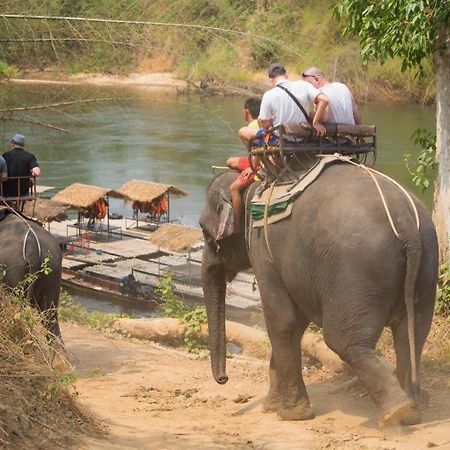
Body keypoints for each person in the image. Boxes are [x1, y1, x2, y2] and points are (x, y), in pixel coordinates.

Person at [238, 62, 329, 145]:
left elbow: (264, 123)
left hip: (281, 140)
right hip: (303, 138)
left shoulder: (269, 95)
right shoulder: (303, 85)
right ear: (286, 75)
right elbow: (324, 99)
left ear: (270, 80)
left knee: (242, 131)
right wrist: (316, 123)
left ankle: (267, 162)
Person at [226, 97, 262, 234]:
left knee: (234, 188)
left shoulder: (251, 128)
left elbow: (257, 148)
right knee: (230, 161)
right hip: (255, 158)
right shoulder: (262, 124)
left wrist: (252, 166)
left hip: (259, 163)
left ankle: (237, 224)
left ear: (246, 111)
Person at [2, 133, 41, 200]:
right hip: (23, 192)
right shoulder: (30, 156)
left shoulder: (6, 155)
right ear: (23, 145)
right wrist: (32, 173)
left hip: (7, 191)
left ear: (13, 144)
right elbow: (37, 172)